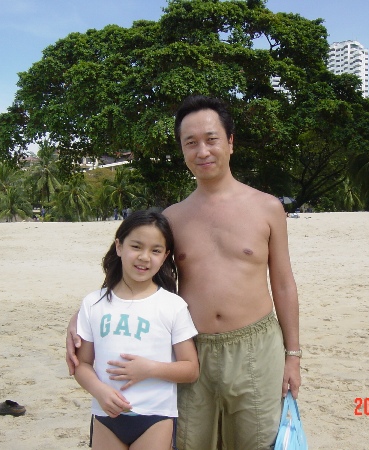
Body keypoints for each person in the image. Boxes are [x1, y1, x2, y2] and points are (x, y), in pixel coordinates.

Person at [68, 95, 301, 449]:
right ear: (182, 150)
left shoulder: (268, 208)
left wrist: (293, 356)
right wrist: (81, 316)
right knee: (190, 443)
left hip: (257, 346)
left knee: (257, 441)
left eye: (211, 139)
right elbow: (140, 275)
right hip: (190, 347)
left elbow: (283, 284)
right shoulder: (173, 218)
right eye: (190, 142)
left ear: (230, 142)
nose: (202, 151)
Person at [73, 209, 199, 450]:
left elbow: (191, 369)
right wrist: (99, 390)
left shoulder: (173, 306)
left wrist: (149, 369)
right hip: (106, 414)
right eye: (136, 246)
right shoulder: (93, 303)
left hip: (156, 417)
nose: (144, 257)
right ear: (119, 246)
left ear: (166, 256)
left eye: (155, 251)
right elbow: (82, 364)